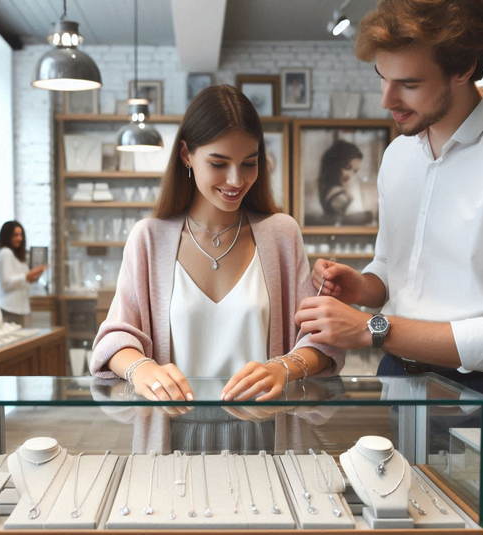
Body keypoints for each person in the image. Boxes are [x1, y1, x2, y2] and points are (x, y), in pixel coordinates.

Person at [295, 0, 483, 530]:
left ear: (463, 67)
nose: (386, 99)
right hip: (401, 385)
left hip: (480, 400)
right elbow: (392, 270)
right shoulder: (399, 155)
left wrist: (373, 328)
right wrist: (360, 285)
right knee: (400, 518)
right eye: (382, 78)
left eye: (407, 83)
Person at [90, 85, 344, 408]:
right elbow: (113, 339)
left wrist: (283, 367)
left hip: (263, 434)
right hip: (174, 438)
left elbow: (320, 342)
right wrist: (142, 369)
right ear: (186, 155)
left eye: (249, 163)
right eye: (219, 164)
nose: (236, 180)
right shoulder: (148, 239)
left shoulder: (281, 234)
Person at [307, 139, 372, 226]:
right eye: (347, 167)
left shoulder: (346, 187)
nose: (350, 175)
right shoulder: (336, 194)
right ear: (336, 164)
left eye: (355, 171)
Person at [0, 221, 47, 326]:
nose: (20, 238)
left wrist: (32, 277)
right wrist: (27, 276)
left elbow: (20, 279)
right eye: (15, 235)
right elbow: (6, 282)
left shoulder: (17, 255)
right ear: (7, 236)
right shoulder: (6, 253)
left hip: (20, 307)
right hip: (10, 308)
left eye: (21, 235)